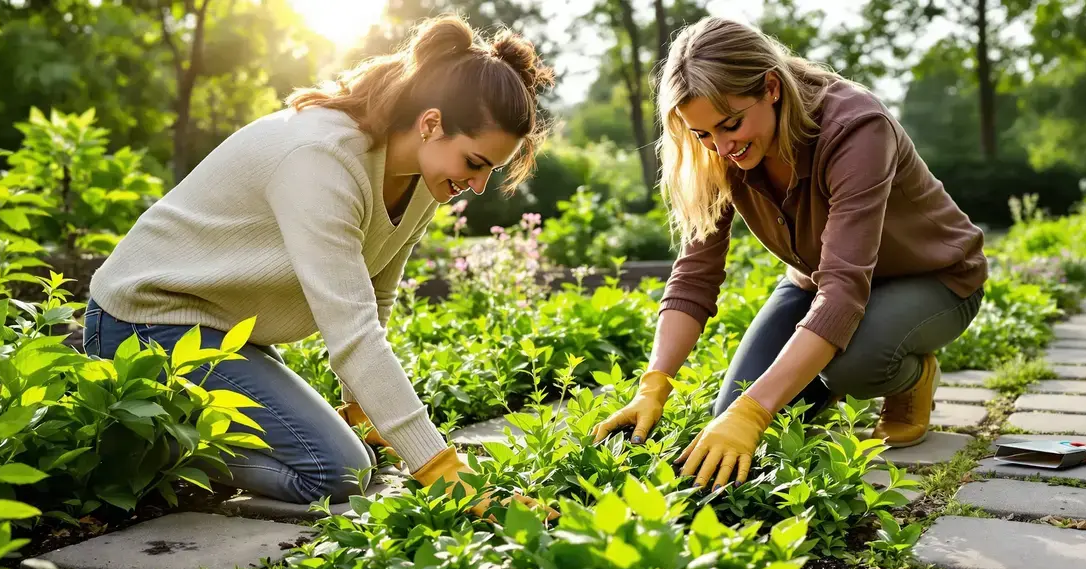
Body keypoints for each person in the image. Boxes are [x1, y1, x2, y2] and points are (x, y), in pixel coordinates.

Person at [84, 15, 555, 510]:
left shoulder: (425, 180)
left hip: (222, 332)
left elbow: (377, 297)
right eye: (475, 163)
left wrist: (366, 408)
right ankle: (154, 445)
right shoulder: (321, 159)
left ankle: (176, 428)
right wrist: (445, 475)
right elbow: (352, 333)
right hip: (143, 323)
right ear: (431, 123)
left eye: (490, 172)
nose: (478, 187)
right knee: (338, 473)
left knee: (350, 457)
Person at [593, 17, 988, 491]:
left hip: (934, 280)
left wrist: (757, 412)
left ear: (772, 88)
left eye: (731, 124)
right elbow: (695, 274)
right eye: (703, 135)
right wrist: (654, 384)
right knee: (731, 416)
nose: (722, 147)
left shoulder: (856, 128)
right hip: (817, 281)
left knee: (850, 365)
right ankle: (813, 395)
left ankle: (911, 377)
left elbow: (843, 294)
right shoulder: (719, 152)